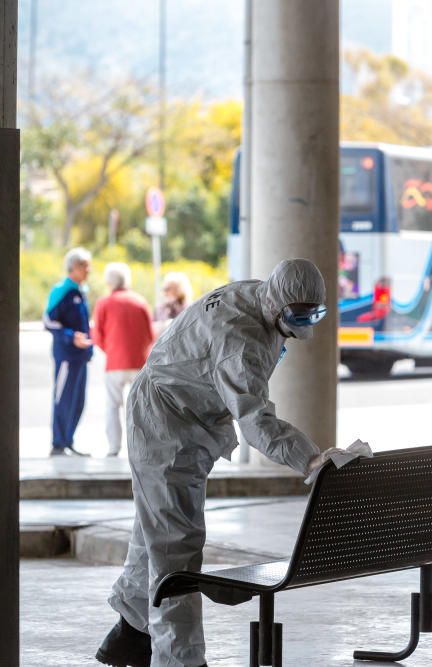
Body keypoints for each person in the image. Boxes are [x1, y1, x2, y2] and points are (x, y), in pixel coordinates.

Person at [96, 258, 346, 667]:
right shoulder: (240, 341)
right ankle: (182, 661)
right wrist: (311, 459)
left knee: (156, 532)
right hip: (165, 427)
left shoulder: (259, 296)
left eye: (314, 314)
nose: (305, 326)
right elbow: (256, 423)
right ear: (279, 303)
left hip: (180, 421)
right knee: (175, 550)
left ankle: (128, 636)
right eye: (299, 316)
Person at [92, 263, 155, 457]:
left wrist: (110, 350)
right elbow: (150, 335)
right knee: (140, 407)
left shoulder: (104, 303)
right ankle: (141, 447)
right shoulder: (140, 302)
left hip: (115, 363)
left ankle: (114, 447)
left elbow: (97, 335)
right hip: (139, 363)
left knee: (113, 405)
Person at [43, 247, 94, 457]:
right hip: (66, 355)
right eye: (84, 266)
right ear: (73, 267)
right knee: (63, 398)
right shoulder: (62, 291)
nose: (88, 270)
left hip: (81, 357)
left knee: (78, 400)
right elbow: (48, 320)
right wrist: (71, 336)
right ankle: (58, 443)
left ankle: (68, 440)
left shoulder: (81, 291)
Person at [153, 271, 193, 335]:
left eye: (167, 289)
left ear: (179, 289)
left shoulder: (189, 308)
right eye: (164, 289)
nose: (164, 292)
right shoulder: (160, 309)